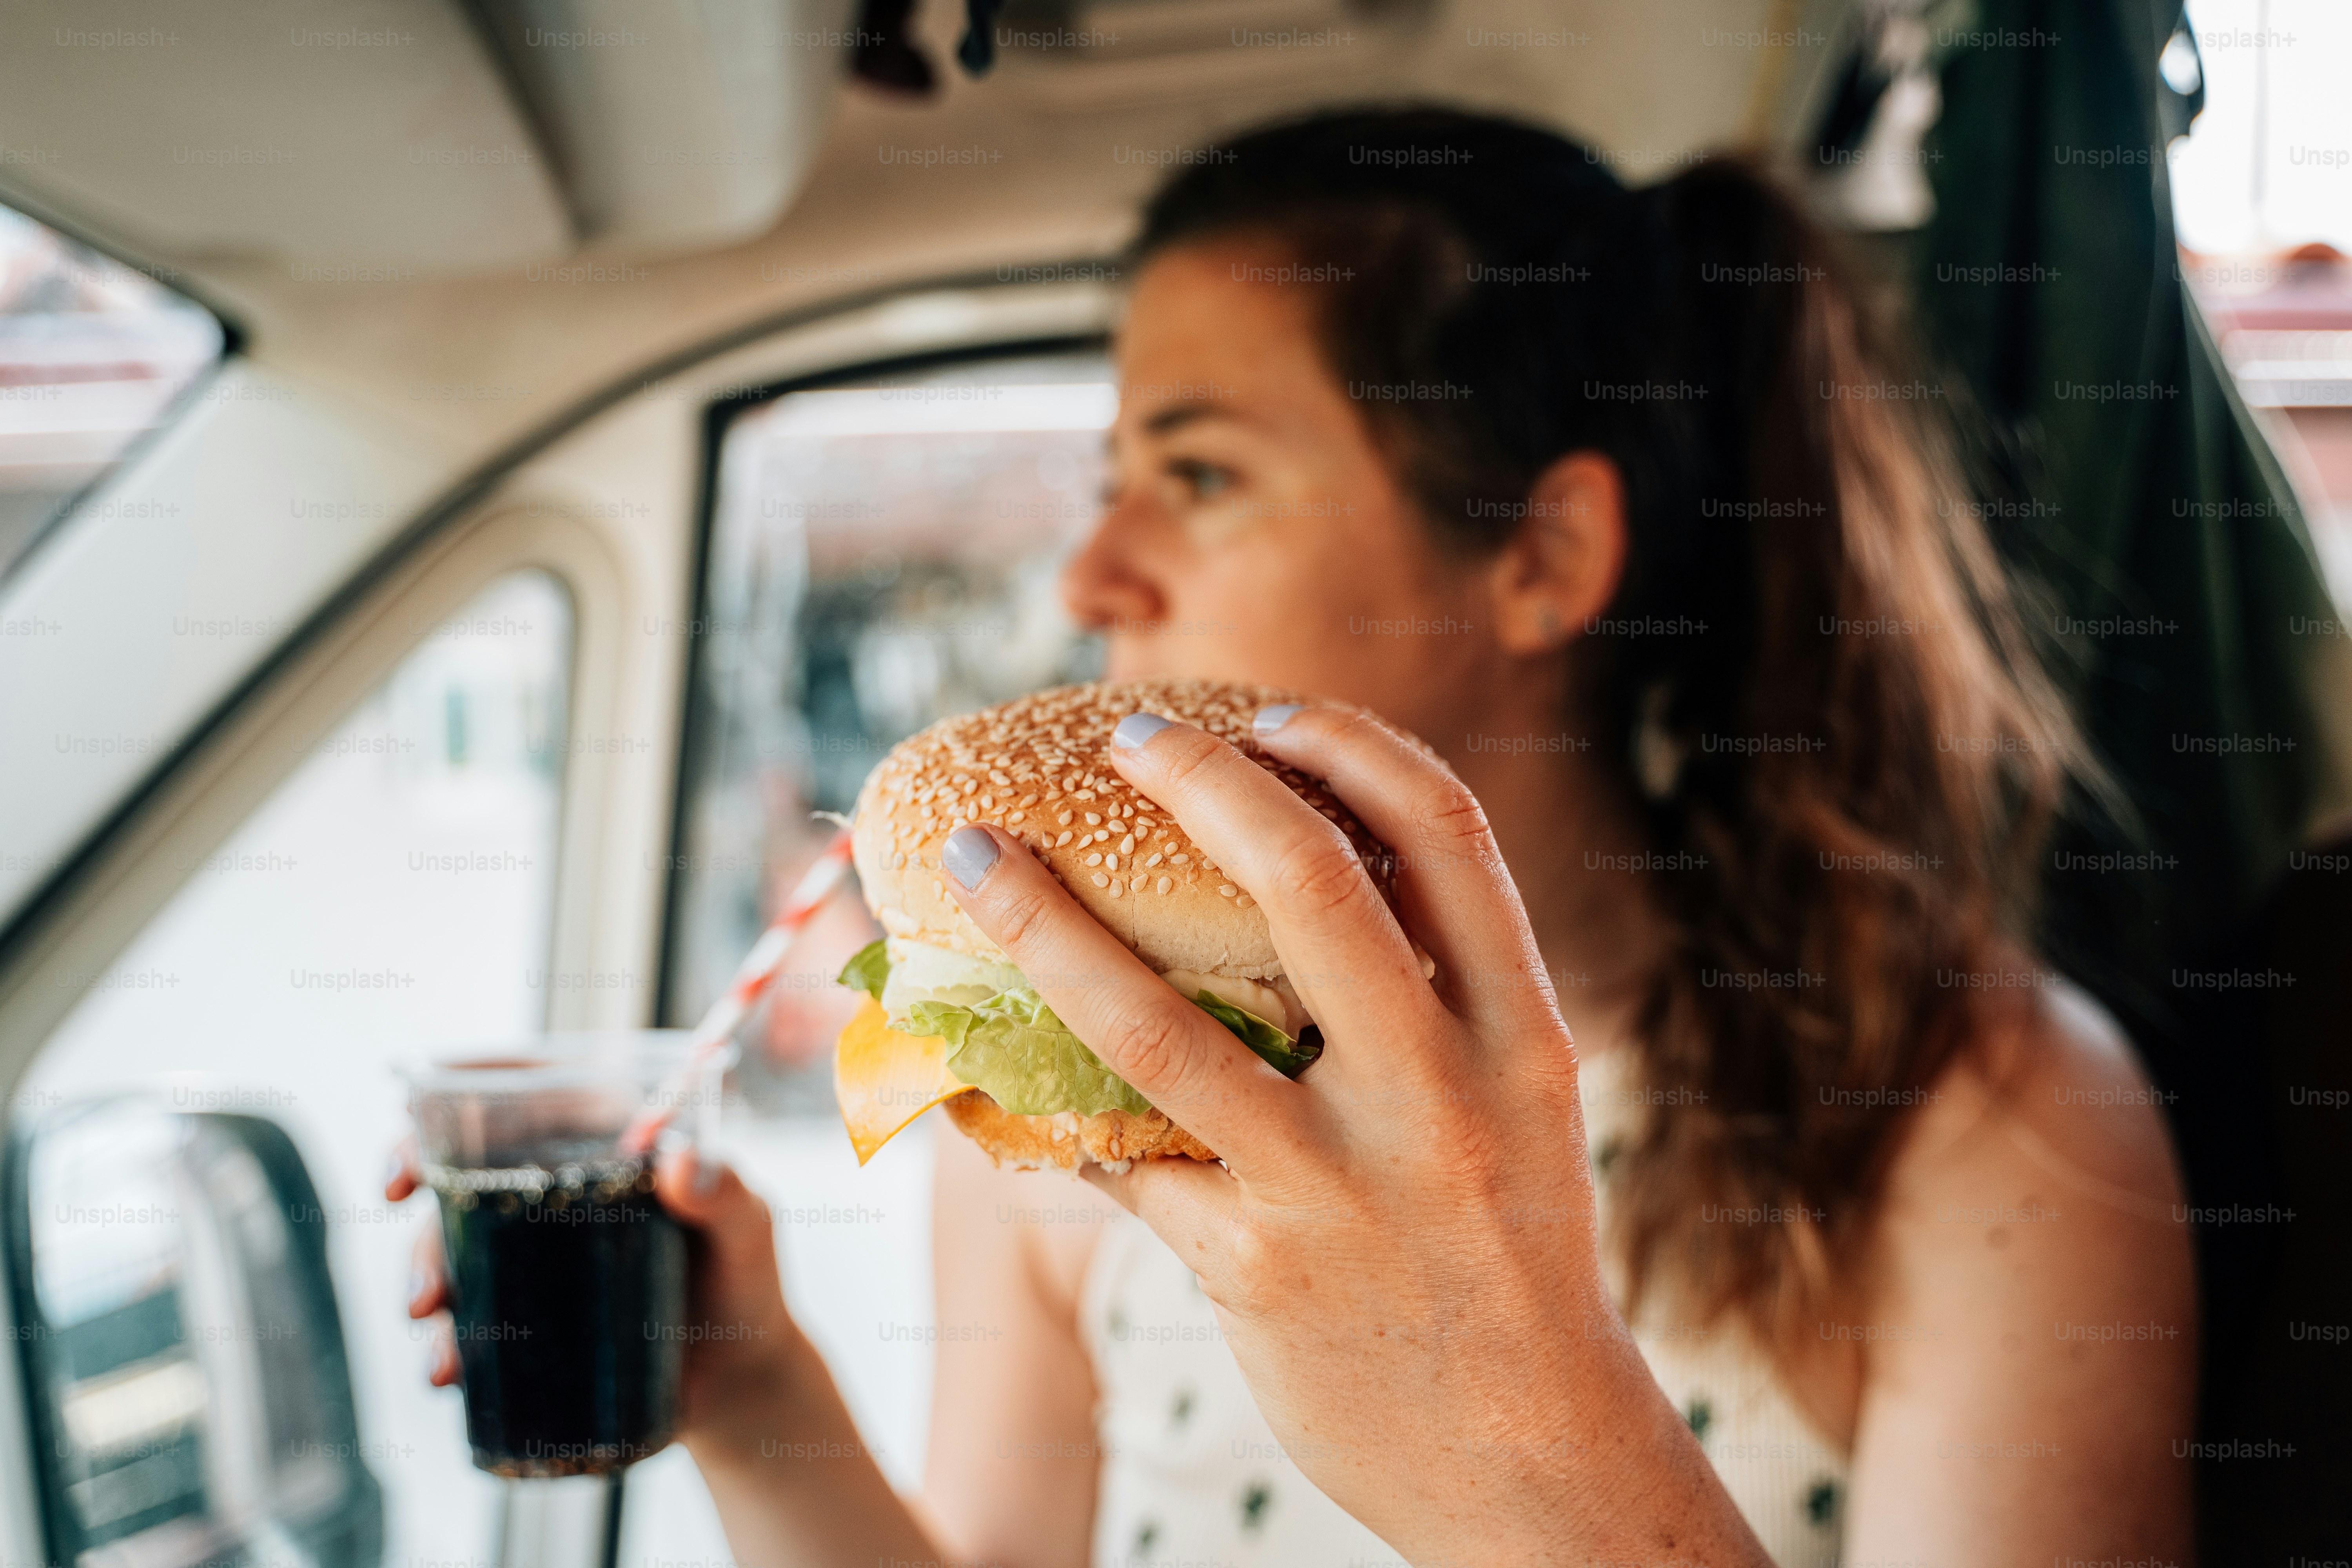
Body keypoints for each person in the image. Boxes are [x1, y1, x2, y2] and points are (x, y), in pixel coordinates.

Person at [394, 108, 2196, 1565]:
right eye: (1108, 484)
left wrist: (1524, 1435)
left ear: (1542, 558)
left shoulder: (1992, 1122)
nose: (1091, 574)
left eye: (1201, 473)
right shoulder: (1077, 1101)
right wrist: (761, 1397)